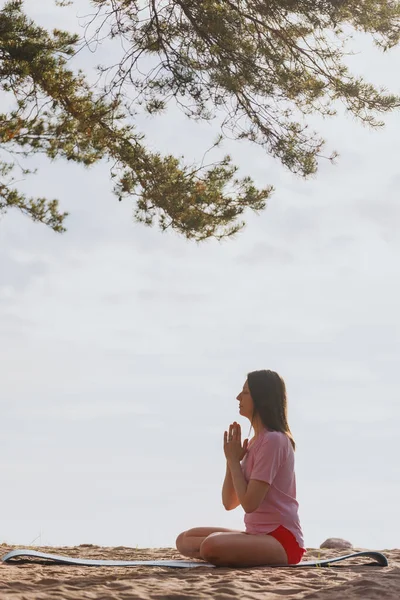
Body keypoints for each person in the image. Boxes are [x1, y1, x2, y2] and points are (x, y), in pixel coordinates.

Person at [175, 369, 306, 567]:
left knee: (211, 546)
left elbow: (249, 504)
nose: (238, 397)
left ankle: (225, 550)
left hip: (282, 540)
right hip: (256, 534)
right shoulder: (255, 442)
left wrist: (236, 463)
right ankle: (230, 550)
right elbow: (229, 502)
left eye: (245, 392)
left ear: (260, 397)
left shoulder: (274, 440)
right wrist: (231, 460)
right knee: (184, 539)